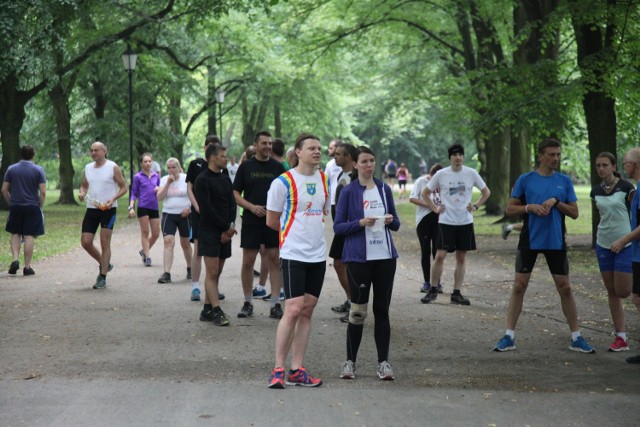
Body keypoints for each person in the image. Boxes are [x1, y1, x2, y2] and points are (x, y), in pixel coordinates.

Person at [493, 138, 595, 353]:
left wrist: (556, 202)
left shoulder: (564, 181)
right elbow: (510, 210)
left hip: (555, 240)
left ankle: (576, 337)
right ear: (540, 156)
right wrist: (529, 207)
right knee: (519, 286)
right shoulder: (525, 179)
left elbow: (575, 213)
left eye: (558, 154)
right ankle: (508, 336)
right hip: (530, 239)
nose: (556, 158)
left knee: (565, 288)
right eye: (551, 154)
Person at [266, 133, 330, 389]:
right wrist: (293, 239)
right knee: (292, 309)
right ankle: (278, 369)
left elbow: (323, 214)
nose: (317, 152)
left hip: (318, 255)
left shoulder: (325, 179)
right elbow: (272, 221)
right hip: (293, 254)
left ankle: (297, 369)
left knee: (307, 310)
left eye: (319, 148)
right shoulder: (283, 182)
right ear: (298, 152)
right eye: (311, 148)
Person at [334, 146, 401, 381]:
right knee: (358, 312)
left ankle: (383, 363)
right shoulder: (348, 191)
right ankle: (350, 362)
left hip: (384, 258)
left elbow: (397, 224)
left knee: (382, 310)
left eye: (372, 161)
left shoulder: (384, 189)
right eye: (364, 161)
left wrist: (391, 221)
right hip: (358, 259)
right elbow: (338, 226)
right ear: (355, 165)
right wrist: (360, 222)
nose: (369, 165)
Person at [421, 144, 490, 305]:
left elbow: (486, 192)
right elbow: (425, 193)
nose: (458, 157)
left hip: (465, 221)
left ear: (463, 157)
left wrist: (476, 206)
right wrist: (435, 208)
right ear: (450, 157)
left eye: (460, 154)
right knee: (439, 256)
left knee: (461, 256)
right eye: (454, 154)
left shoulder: (471, 173)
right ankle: (433, 289)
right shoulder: (441, 174)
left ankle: (456, 293)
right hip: (446, 221)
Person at [233, 131, 286, 319]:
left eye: (270, 143)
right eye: (264, 143)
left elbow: (287, 194)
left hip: (273, 220)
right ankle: (248, 302)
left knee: (273, 258)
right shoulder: (246, 167)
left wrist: (278, 213)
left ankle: (275, 304)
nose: (268, 147)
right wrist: (251, 207)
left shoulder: (278, 167)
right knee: (248, 260)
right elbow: (236, 193)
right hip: (251, 219)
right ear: (255, 145)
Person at [590, 152, 636, 352]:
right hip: (603, 243)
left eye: (605, 165)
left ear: (614, 166)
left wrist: (626, 238)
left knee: (624, 291)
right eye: (598, 165)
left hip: (625, 244)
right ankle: (621, 337)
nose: (601, 169)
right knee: (612, 291)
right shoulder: (595, 191)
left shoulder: (627, 188)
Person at [193, 144, 237, 326]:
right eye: (223, 156)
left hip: (225, 232)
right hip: (209, 231)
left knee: (216, 272)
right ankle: (217, 311)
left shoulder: (225, 178)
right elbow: (207, 209)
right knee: (211, 272)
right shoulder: (202, 180)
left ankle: (206, 309)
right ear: (212, 158)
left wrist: (231, 226)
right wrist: (226, 227)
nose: (226, 158)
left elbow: (232, 204)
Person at [78, 141, 128, 289]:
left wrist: (112, 199)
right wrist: (82, 192)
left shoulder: (112, 167)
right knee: (86, 241)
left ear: (104, 151)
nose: (93, 153)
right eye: (92, 150)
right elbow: (84, 185)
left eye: (96, 150)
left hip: (108, 209)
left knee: (104, 242)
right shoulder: (88, 168)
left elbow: (124, 188)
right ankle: (105, 263)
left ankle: (103, 276)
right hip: (92, 208)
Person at [186, 135, 226, 302]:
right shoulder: (195, 165)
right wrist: (196, 206)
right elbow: (190, 187)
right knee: (198, 249)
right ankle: (195, 286)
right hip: (199, 213)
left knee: (218, 252)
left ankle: (213, 286)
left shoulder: (221, 168)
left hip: (216, 214)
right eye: (210, 146)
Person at [611, 147, 640, 364]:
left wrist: (623, 240)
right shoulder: (637, 191)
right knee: (637, 298)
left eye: (626, 163)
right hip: (637, 255)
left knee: (638, 298)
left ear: (635, 165)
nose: (624, 167)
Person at [2, 145, 46, 276]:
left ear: (21, 154)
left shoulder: (12, 169)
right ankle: (27, 267)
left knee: (15, 233)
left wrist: (11, 202)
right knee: (29, 235)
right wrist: (40, 206)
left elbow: (4, 189)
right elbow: (43, 192)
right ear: (33, 155)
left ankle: (15, 259)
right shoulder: (38, 170)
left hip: (16, 206)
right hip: (32, 206)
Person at [328, 143, 358, 322]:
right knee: (338, 265)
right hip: (341, 228)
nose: (334, 157)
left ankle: (356, 306)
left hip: (351, 229)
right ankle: (350, 300)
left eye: (338, 154)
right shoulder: (341, 174)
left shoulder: (356, 177)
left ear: (348, 157)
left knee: (351, 267)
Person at [156, 158, 193, 284]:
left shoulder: (186, 178)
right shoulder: (164, 179)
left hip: (185, 215)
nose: (172, 170)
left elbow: (195, 195)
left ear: (179, 168)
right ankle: (167, 273)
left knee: (185, 243)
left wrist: (189, 208)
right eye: (169, 168)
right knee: (168, 242)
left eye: (174, 167)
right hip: (169, 215)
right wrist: (167, 184)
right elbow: (159, 198)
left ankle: (190, 268)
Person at [409, 163, 444, 294]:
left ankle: (437, 282)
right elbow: (412, 198)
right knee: (426, 250)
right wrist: (430, 205)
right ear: (432, 174)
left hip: (439, 219)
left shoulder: (443, 183)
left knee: (438, 252)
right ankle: (426, 282)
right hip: (423, 220)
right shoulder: (421, 181)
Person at [128, 152, 161, 267]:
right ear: (141, 164)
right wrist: (131, 207)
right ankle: (147, 256)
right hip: (143, 207)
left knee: (156, 233)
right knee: (145, 232)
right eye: (145, 162)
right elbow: (133, 193)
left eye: (149, 161)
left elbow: (161, 192)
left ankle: (143, 251)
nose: (147, 163)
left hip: (154, 207)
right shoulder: (137, 177)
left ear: (152, 162)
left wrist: (159, 190)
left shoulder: (156, 176)